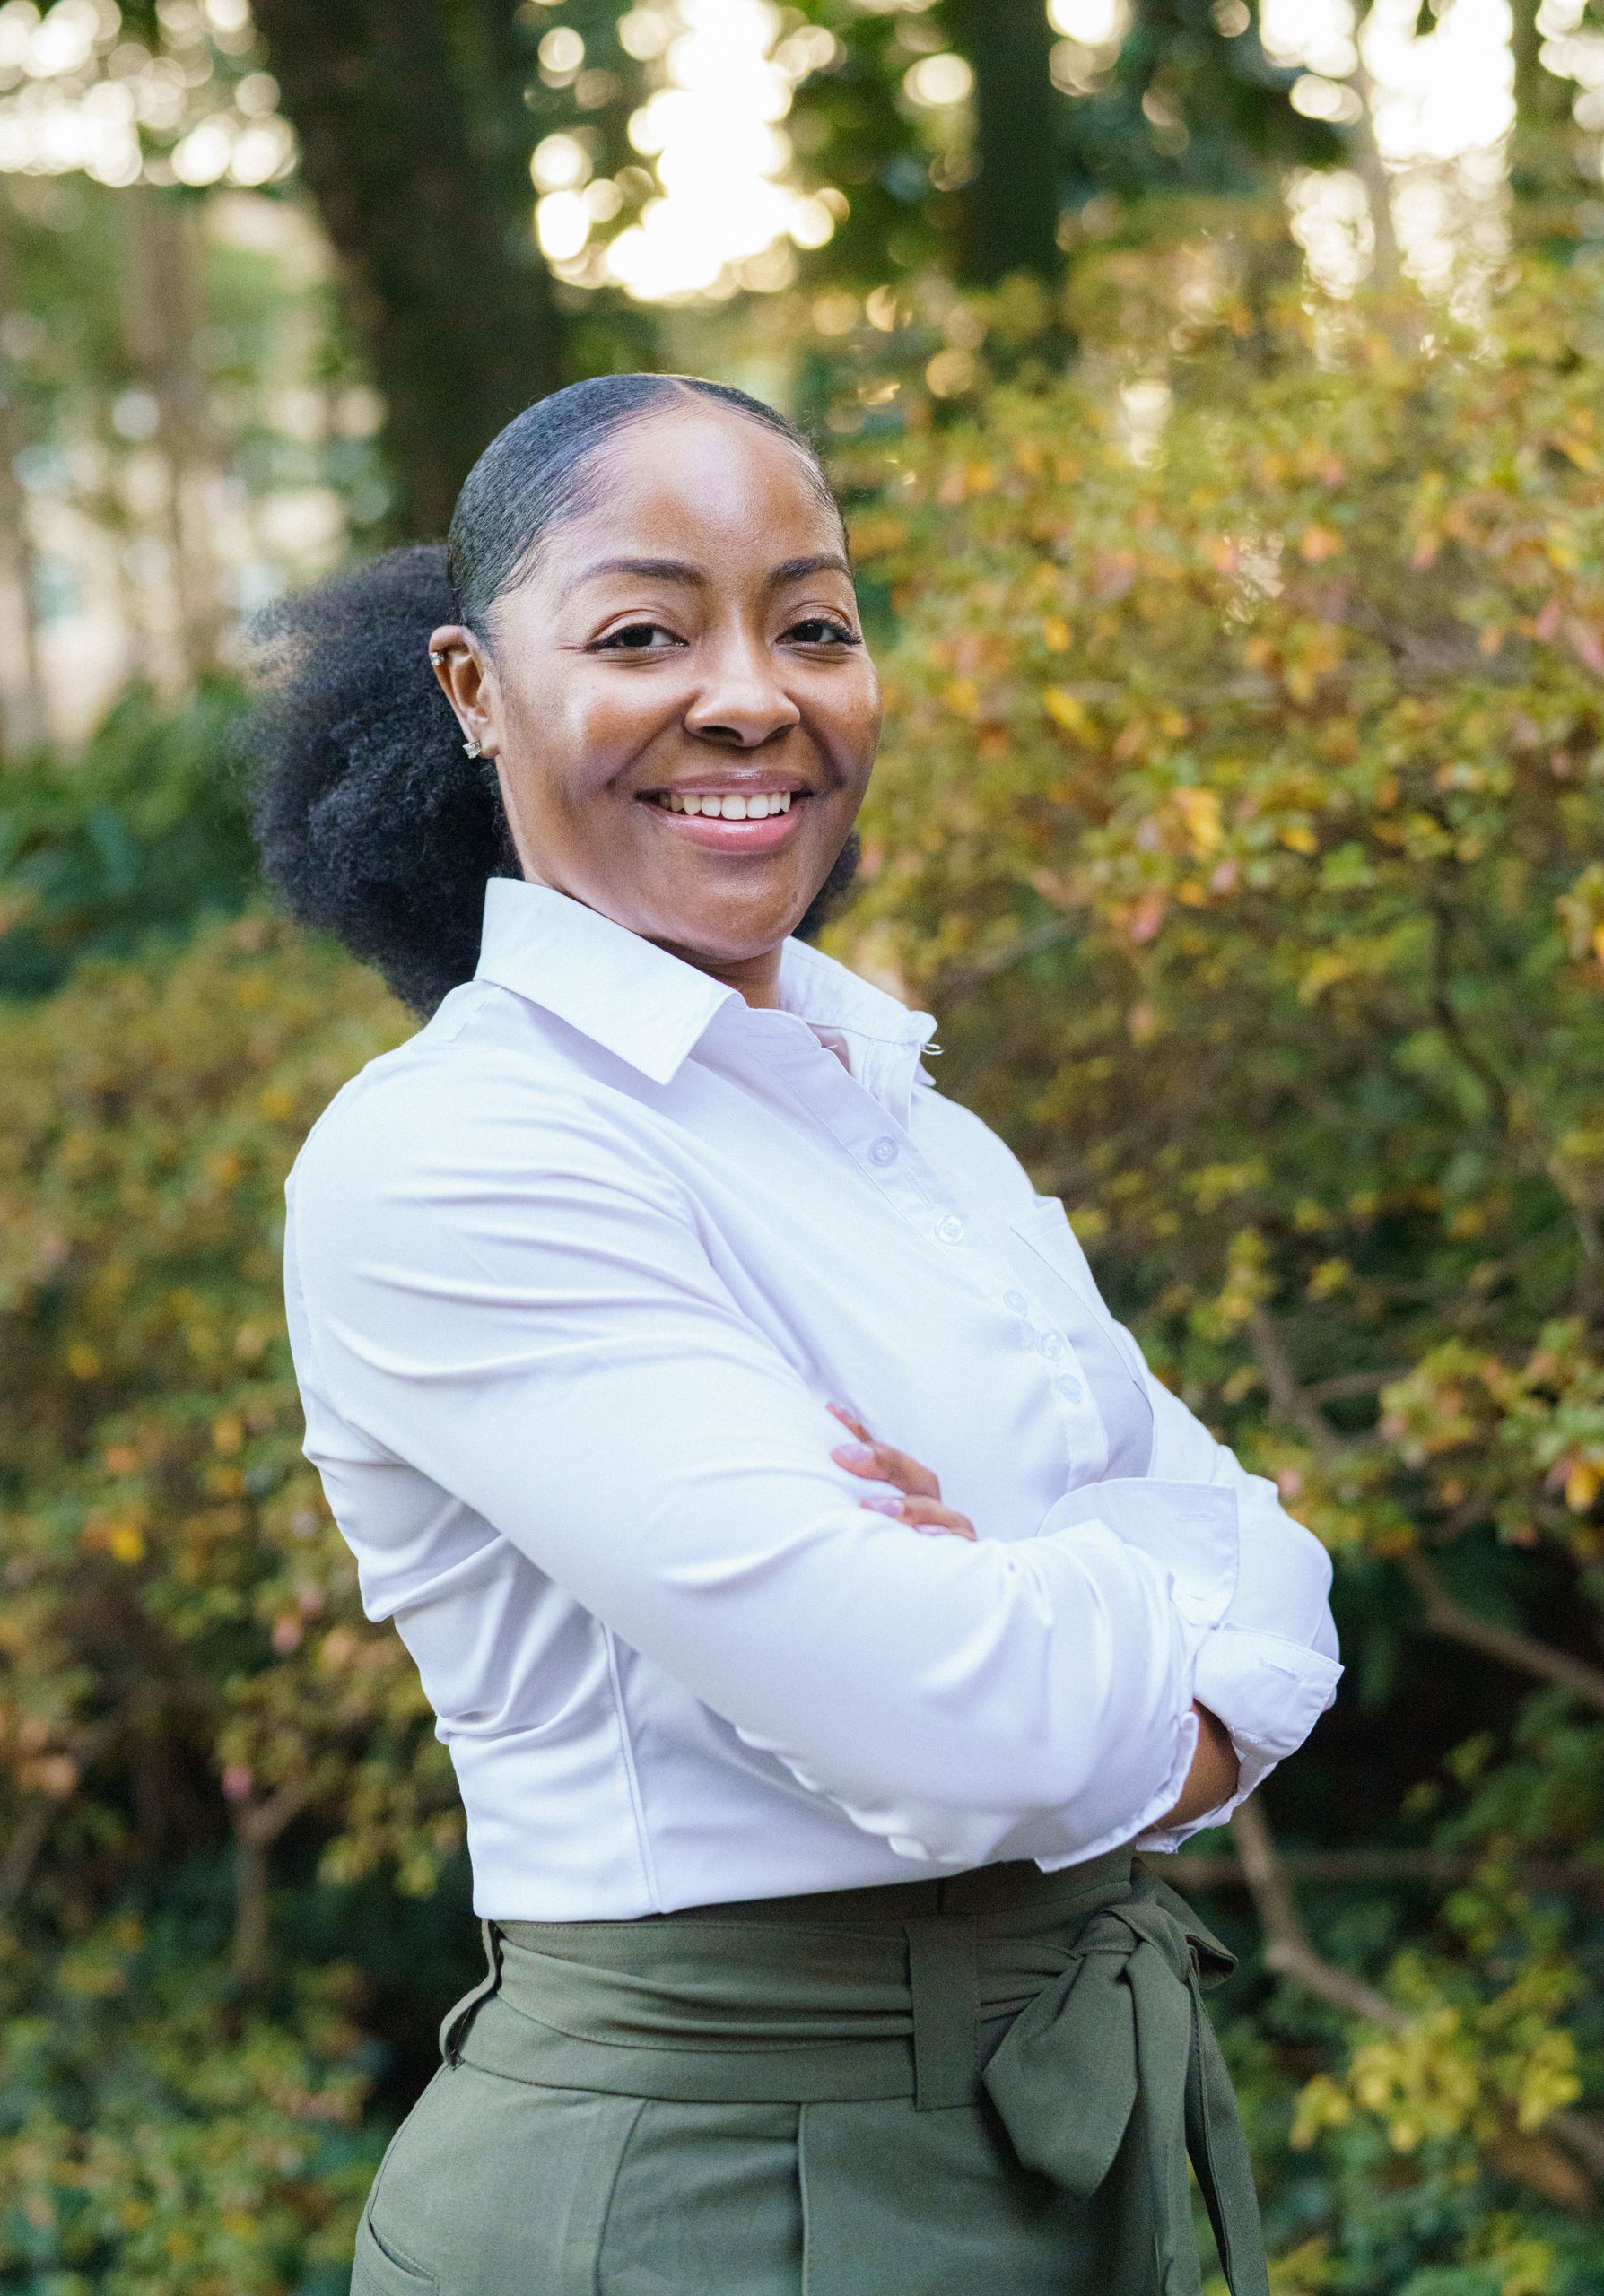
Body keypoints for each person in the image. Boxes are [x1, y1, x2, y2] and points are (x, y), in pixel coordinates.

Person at [248, 373, 1342, 2296]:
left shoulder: (897, 1106)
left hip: (1064, 2143)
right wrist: (1136, 1595)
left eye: (814, 624)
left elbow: (1284, 1580)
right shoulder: (461, 1152)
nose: (753, 696)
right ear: (475, 688)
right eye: (644, 634)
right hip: (707, 2186)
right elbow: (956, 1721)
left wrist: (1033, 1583)